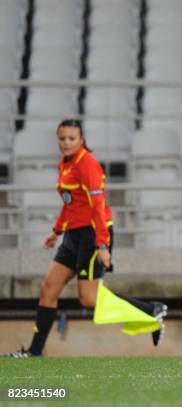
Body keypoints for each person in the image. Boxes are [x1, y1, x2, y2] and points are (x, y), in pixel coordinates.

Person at [5, 119, 167, 358]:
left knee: (89, 299)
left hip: (93, 234)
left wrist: (102, 244)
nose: (66, 143)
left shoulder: (88, 165)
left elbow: (98, 207)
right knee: (48, 288)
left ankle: (151, 310)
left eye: (72, 138)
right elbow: (70, 203)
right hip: (73, 234)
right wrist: (57, 231)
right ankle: (34, 351)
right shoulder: (65, 163)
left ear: (81, 140)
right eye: (62, 138)